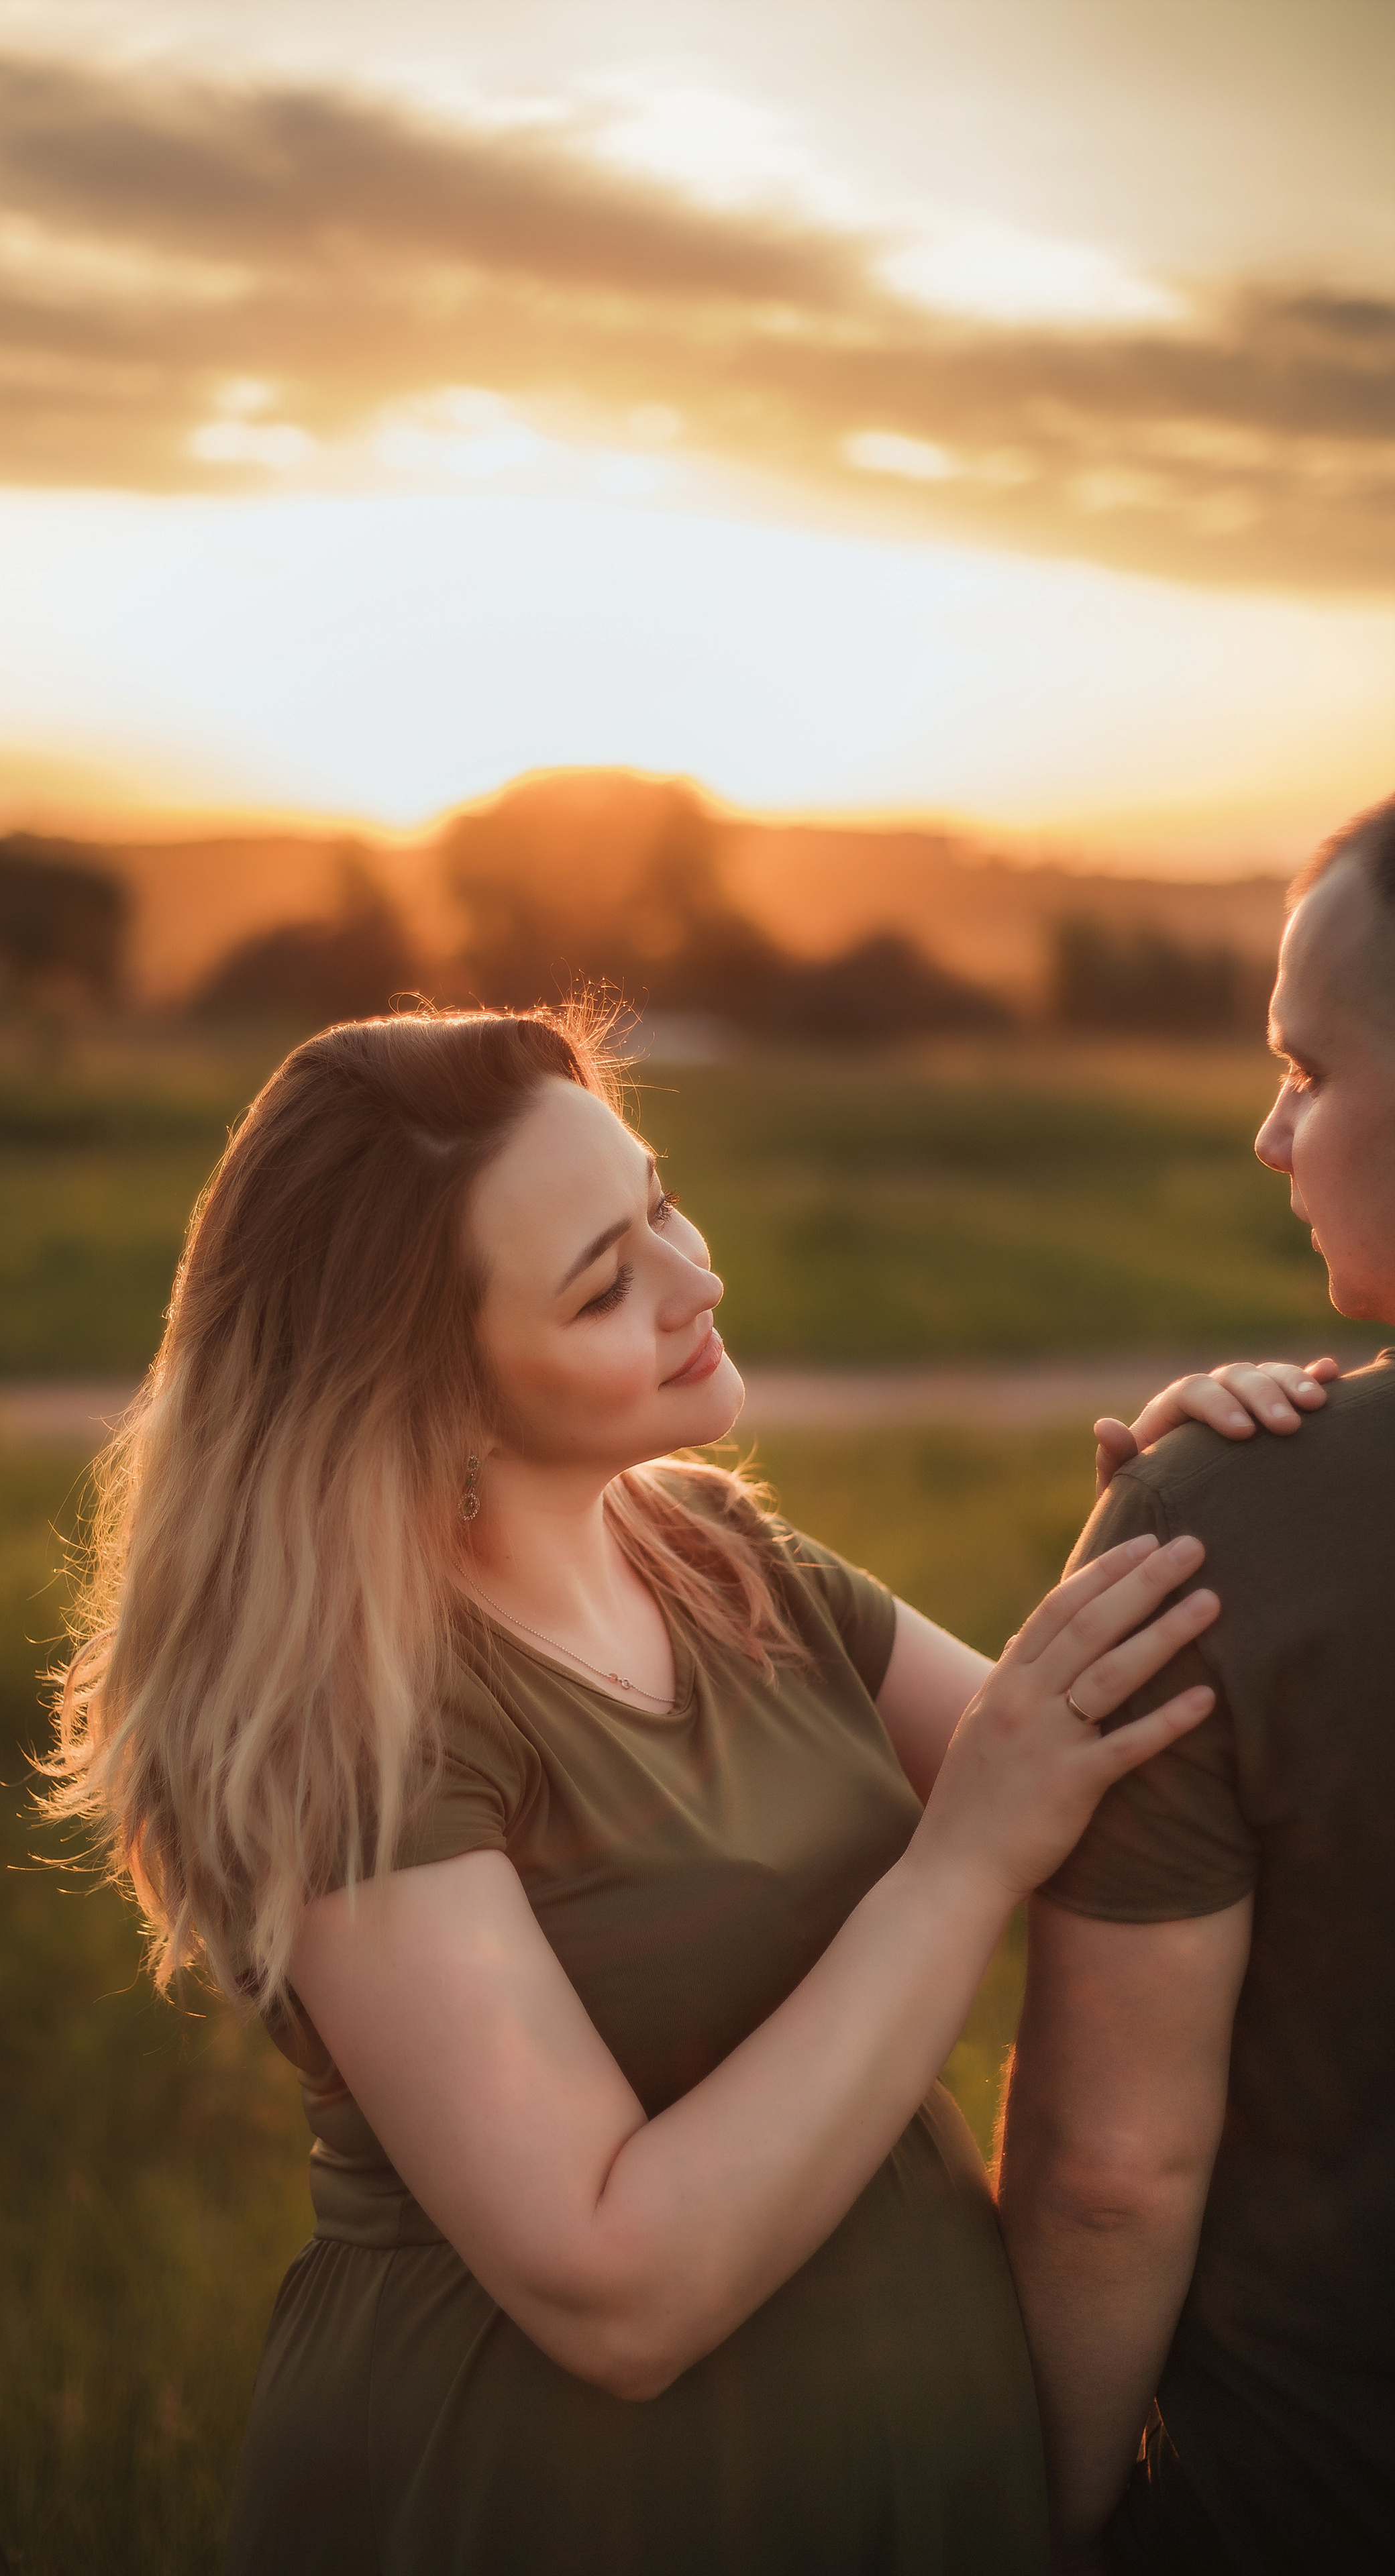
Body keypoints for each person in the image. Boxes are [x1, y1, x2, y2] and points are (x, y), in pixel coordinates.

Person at [46, 1004, 1320, 2575]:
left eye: (655, 1203)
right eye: (603, 1285)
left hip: (927, 2465)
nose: (693, 1281)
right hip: (559, 2499)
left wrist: (1218, 1499)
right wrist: (958, 1862)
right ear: (420, 1386)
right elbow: (611, 2290)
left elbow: (1112, 1795)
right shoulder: (345, 1716)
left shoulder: (720, 1551)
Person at [996, 794, 1395, 2576]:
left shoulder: (1224, 1528)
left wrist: (1057, 2525)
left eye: (1310, 1068)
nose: (1271, 1131)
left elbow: (1108, 2176)